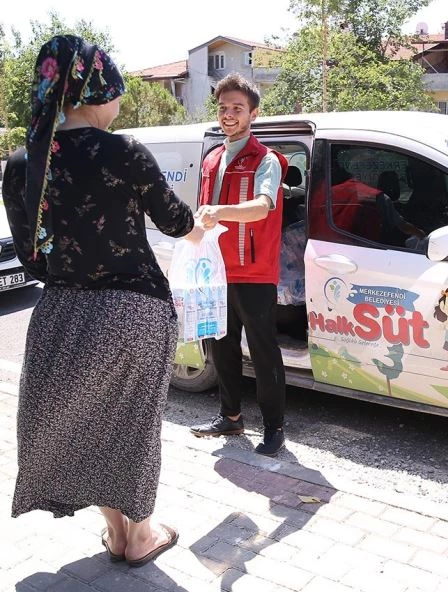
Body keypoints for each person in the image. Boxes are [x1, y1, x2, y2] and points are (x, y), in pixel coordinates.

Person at [3, 35, 202, 566]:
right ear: (97, 91)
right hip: (132, 310)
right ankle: (139, 537)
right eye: (116, 94)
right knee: (131, 426)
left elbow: (32, 258)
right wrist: (200, 226)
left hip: (61, 313)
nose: (118, 105)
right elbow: (176, 221)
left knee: (85, 426)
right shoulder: (123, 151)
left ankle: (117, 532)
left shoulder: (23, 162)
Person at [189, 73, 289, 457]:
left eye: (237, 108)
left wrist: (219, 212)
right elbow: (202, 214)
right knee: (220, 345)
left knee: (263, 351)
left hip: (254, 271)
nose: (228, 115)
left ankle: (274, 427)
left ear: (253, 114)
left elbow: (262, 207)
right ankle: (230, 416)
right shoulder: (212, 158)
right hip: (214, 269)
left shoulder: (267, 160)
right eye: (223, 108)